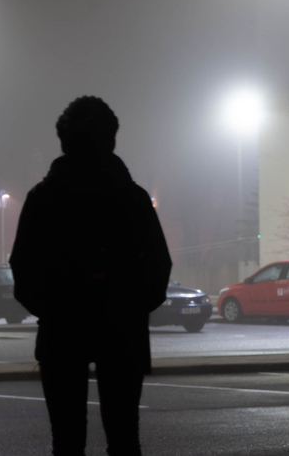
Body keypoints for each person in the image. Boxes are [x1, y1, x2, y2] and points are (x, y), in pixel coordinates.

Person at [10, 96, 172, 456]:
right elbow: (160, 267)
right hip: (122, 330)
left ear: (64, 142)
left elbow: (22, 267)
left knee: (66, 441)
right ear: (111, 139)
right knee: (124, 438)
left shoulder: (43, 199)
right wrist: (131, 308)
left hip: (62, 331)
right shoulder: (132, 198)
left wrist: (52, 310)